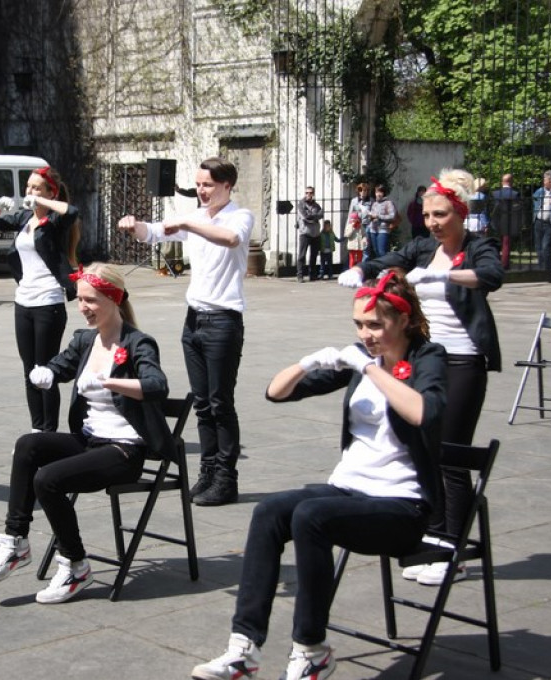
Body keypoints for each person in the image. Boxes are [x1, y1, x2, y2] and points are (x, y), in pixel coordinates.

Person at [191, 270, 446, 680]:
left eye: (375, 325)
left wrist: (370, 370)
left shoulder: (427, 357)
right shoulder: (364, 359)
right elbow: (276, 392)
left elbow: (423, 412)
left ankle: (311, 649)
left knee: (311, 516)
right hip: (349, 492)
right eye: (359, 325)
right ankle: (244, 647)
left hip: (402, 507)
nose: (365, 335)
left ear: (403, 320)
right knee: (269, 512)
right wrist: (307, 363)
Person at [339, 168, 503, 586]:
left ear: (461, 213)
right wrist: (362, 270)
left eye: (441, 214)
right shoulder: (423, 247)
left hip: (463, 361)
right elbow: (389, 259)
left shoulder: (477, 246)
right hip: (426, 359)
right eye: (428, 215)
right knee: (420, 451)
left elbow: (491, 276)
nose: (432, 222)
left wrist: (443, 275)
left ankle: (453, 551)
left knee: (450, 455)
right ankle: (431, 539)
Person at [0, 263, 173, 603]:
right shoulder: (85, 340)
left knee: (48, 479)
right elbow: (62, 364)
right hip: (89, 441)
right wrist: (47, 373)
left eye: (91, 300)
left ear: (114, 299)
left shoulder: (138, 343)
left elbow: (157, 385)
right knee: (28, 445)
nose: (83, 307)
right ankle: (15, 542)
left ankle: (75, 566)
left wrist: (111, 382)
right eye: (80, 299)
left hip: (124, 451)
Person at [118, 156, 253, 506]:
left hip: (223, 321)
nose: (202, 191)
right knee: (202, 403)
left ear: (227, 186)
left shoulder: (239, 216)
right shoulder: (194, 217)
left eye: (208, 185)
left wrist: (189, 223)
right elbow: (154, 232)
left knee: (221, 402)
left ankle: (226, 478)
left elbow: (230, 239)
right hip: (194, 320)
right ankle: (207, 472)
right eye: (198, 184)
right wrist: (135, 226)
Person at [0, 166, 78, 432]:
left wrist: (42, 202)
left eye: (36, 187)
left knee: (44, 369)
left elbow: (71, 211)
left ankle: (49, 431)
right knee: (29, 371)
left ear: (51, 192)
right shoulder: (24, 218)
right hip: (23, 301)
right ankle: (37, 429)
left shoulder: (55, 221)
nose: (30, 191)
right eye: (28, 186)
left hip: (48, 301)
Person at [489, 173, 521, 269]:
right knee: (506, 244)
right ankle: (504, 264)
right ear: (511, 182)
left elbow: (491, 208)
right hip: (508, 221)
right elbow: (517, 209)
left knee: (495, 243)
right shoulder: (515, 194)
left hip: (496, 220)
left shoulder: (495, 194)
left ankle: (494, 262)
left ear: (502, 182)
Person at [295, 186, 323, 283]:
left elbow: (321, 214)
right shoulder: (301, 204)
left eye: (310, 193)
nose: (308, 195)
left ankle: (312, 275)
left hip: (315, 233)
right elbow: (305, 217)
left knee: (313, 255)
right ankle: (300, 275)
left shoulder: (316, 205)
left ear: (313, 194)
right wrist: (314, 217)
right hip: (305, 233)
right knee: (302, 256)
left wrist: (313, 217)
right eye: (307, 193)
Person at [365, 184, 396, 260]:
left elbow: (392, 216)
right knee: (376, 251)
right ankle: (380, 266)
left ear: (383, 193)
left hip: (383, 230)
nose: (378, 194)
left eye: (380, 192)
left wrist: (378, 216)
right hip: (373, 229)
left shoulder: (388, 203)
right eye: (377, 192)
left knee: (382, 251)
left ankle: (386, 266)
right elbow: (372, 215)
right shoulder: (374, 204)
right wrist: (370, 216)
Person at [345, 182, 372, 264]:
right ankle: (355, 266)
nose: (363, 192)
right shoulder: (354, 201)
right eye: (361, 190)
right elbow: (350, 215)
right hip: (356, 227)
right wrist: (348, 228)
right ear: (358, 191)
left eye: (365, 190)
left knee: (365, 247)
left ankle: (363, 267)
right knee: (355, 248)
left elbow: (373, 214)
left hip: (366, 226)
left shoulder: (371, 201)